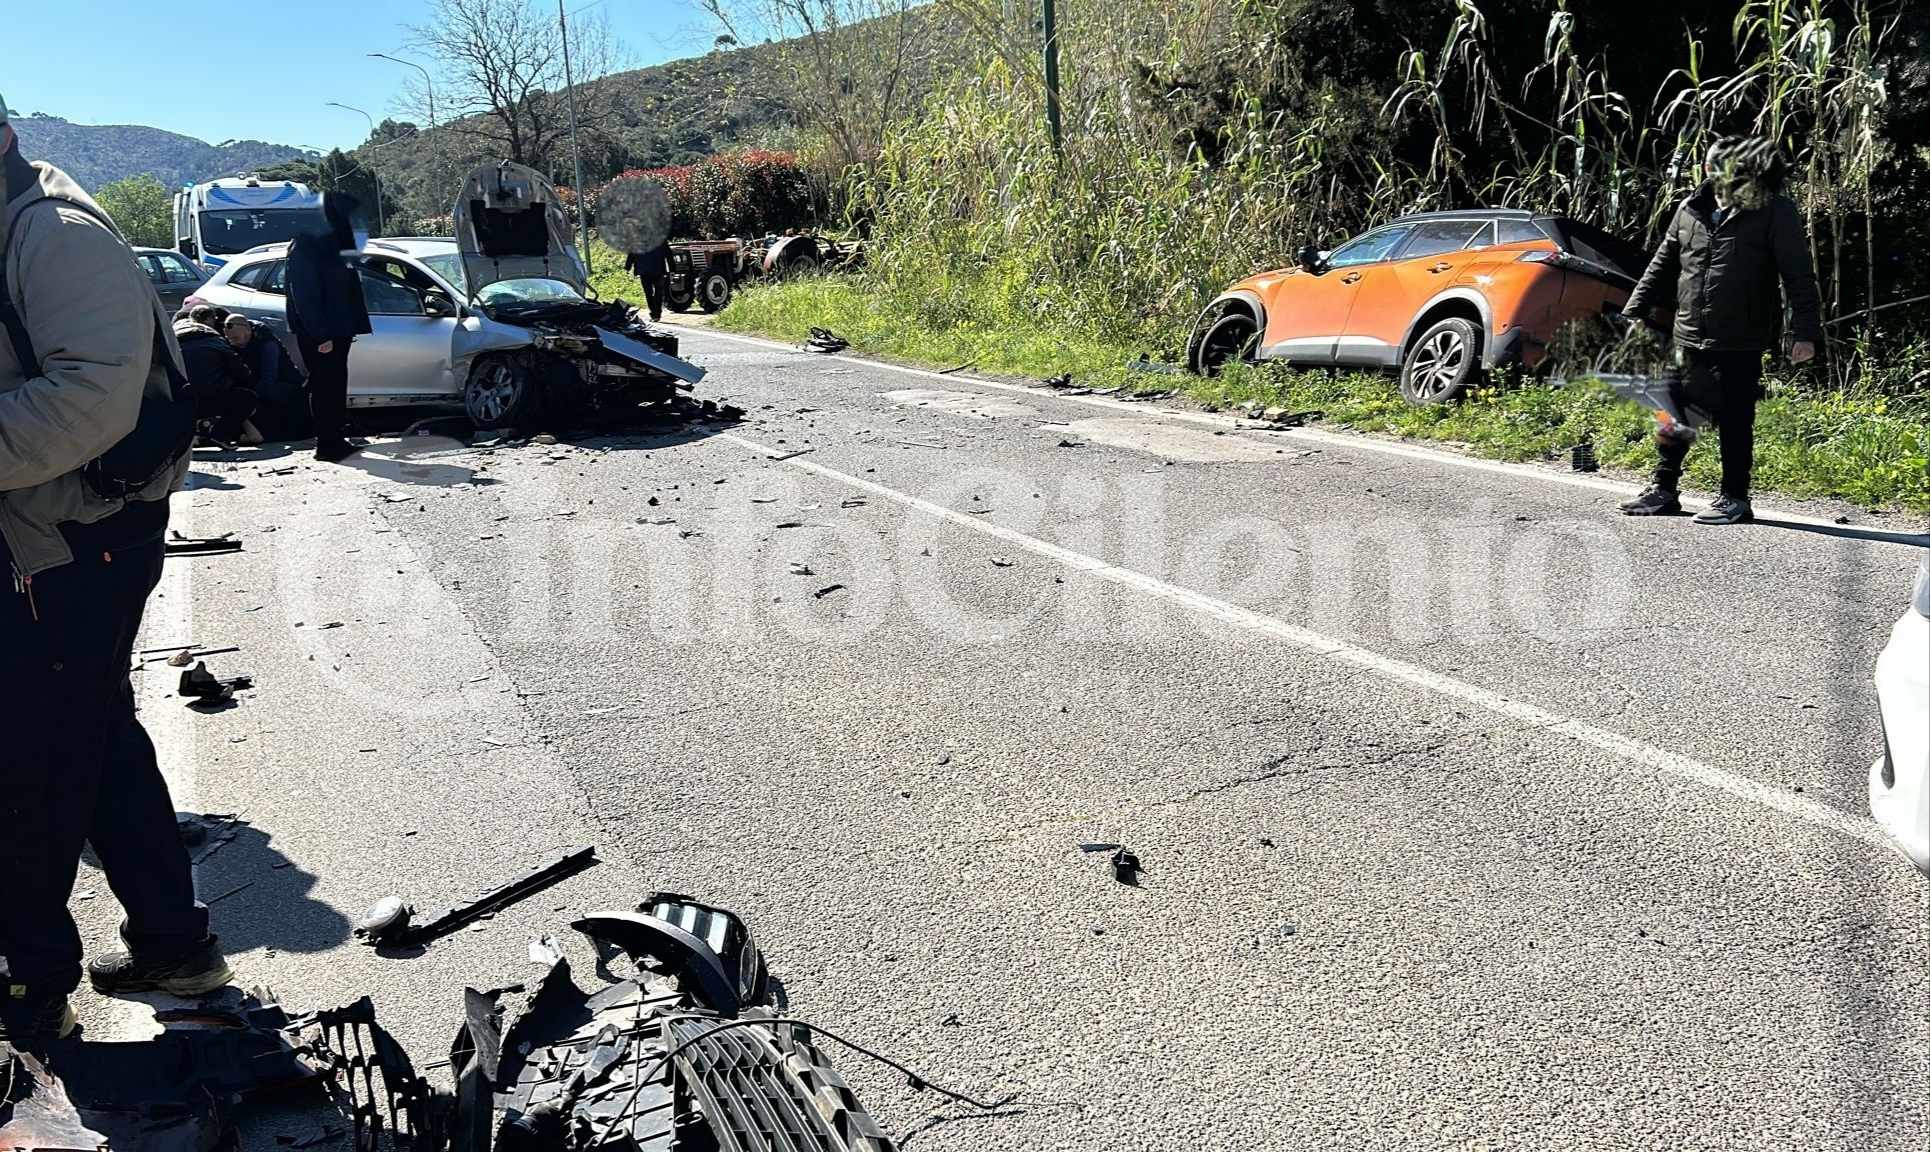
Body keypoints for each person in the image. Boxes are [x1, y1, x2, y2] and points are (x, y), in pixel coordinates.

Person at [0, 95, 231, 1052]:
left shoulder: (52, 234)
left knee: (36, 763)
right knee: (95, 740)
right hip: (50, 535)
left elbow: (88, 395)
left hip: (79, 540)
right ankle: (175, 947)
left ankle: (35, 984)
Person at [1619, 135, 1821, 525]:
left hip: (1740, 335)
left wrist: (1805, 332)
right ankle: (1663, 490)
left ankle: (1735, 498)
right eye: (1714, 165)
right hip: (1688, 331)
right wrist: (1633, 312)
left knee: (1734, 416)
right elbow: (1662, 265)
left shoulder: (1774, 210)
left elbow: (1798, 275)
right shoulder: (1689, 210)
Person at [286, 193, 369, 462]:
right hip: (322, 332)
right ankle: (327, 444)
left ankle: (335, 438)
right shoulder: (306, 245)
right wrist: (320, 333)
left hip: (336, 328)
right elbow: (305, 295)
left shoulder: (327, 243)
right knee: (325, 387)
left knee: (334, 386)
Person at [175, 304, 259, 445]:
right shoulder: (215, 340)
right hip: (211, 398)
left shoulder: (173, 339)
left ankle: (189, 436)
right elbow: (242, 373)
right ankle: (220, 434)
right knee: (248, 398)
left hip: (181, 402)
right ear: (210, 320)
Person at [223, 313, 310, 441]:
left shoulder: (267, 344)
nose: (232, 342)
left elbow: (269, 376)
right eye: (229, 339)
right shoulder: (235, 344)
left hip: (284, 384)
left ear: (248, 330)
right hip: (260, 383)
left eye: (235, 338)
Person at [625, 241, 670, 322]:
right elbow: (669, 254)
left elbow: (632, 254)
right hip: (658, 270)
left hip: (644, 271)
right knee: (658, 293)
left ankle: (654, 313)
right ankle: (657, 314)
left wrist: (628, 267)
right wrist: (673, 268)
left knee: (649, 293)